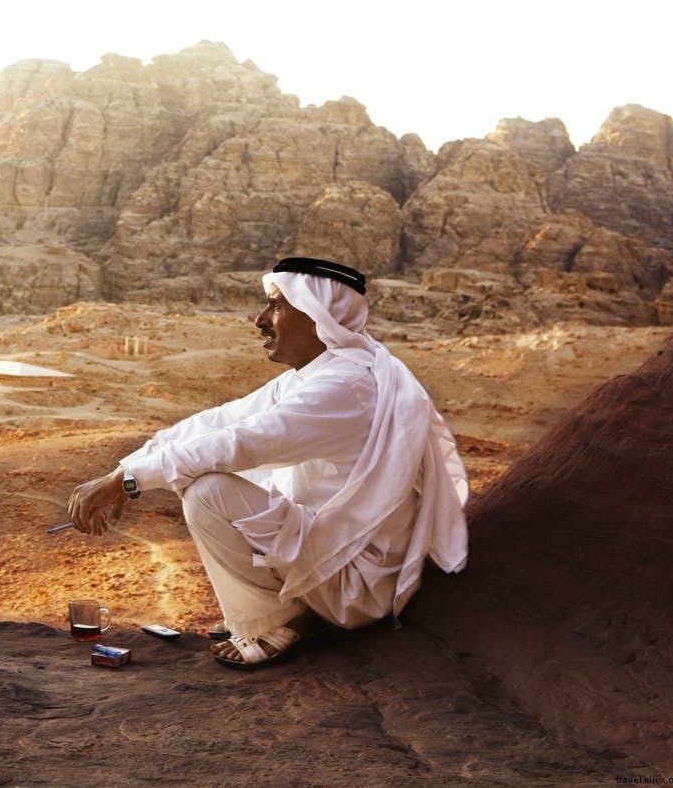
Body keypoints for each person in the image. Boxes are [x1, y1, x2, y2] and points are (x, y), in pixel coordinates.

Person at [67, 256, 469, 669]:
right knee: (203, 475)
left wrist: (127, 482)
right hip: (334, 552)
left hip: (356, 581)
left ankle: (283, 622)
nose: (260, 319)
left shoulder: (345, 386)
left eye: (276, 306)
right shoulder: (326, 370)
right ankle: (294, 611)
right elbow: (220, 421)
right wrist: (126, 470)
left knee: (207, 492)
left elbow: (239, 443)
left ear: (317, 317)